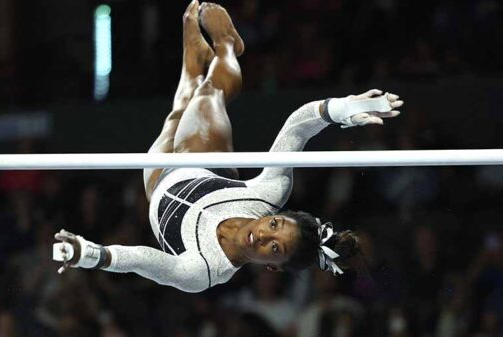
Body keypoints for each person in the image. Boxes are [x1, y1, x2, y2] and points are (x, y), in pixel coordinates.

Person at [52, 1, 403, 293]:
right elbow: (297, 127)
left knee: (180, 106)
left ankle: (195, 57)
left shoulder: (202, 271)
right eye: (275, 225)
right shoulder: (267, 195)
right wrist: (343, 110)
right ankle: (227, 47)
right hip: (204, 162)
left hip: (158, 184)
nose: (263, 234)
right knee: (208, 94)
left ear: (273, 268)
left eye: (274, 249)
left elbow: (143, 261)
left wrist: (89, 253)